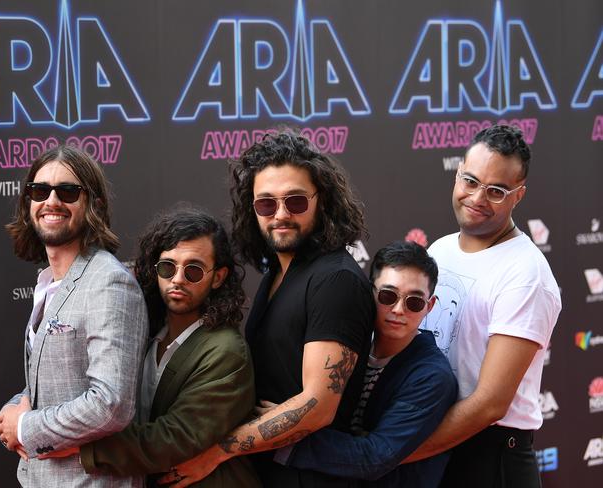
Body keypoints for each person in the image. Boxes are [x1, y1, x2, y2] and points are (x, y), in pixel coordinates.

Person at [164, 130, 374, 487]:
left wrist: (218, 452)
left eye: (295, 201)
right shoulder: (279, 269)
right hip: (272, 470)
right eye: (265, 203)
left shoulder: (336, 279)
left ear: (322, 200)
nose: (280, 215)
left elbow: (319, 406)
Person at [41, 208, 261, 487]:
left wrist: (82, 449)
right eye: (168, 267)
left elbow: (175, 436)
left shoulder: (227, 351)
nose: (178, 279)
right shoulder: (142, 329)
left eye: (193, 270)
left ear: (218, 277)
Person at [411, 124, 561, 487]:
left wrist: (395, 450)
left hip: (490, 458)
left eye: (496, 191)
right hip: (436, 448)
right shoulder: (439, 251)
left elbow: (491, 403)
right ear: (458, 173)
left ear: (518, 195)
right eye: (470, 181)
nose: (477, 197)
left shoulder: (526, 274)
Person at [0, 144, 148, 487]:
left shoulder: (108, 281)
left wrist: (24, 427)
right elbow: (56, 378)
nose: (51, 201)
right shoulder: (48, 281)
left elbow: (110, 404)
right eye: (39, 190)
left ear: (93, 203)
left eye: (67, 191)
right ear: (28, 203)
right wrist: (13, 409)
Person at [277, 241, 457, 487]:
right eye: (387, 295)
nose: (398, 309)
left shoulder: (432, 377)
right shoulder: (351, 345)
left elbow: (375, 457)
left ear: (430, 306)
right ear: (370, 292)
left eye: (414, 302)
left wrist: (280, 434)